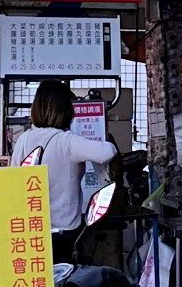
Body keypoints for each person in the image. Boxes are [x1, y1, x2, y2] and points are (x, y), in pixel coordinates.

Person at [11, 79, 117, 261]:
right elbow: (108, 152)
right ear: (65, 110)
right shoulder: (66, 141)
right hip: (63, 231)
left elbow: (12, 178)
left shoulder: (24, 138)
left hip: (31, 230)